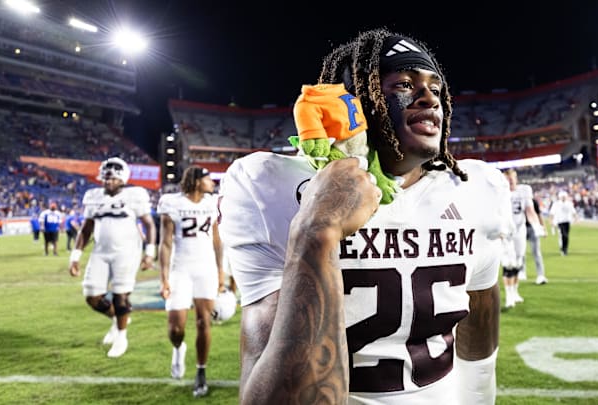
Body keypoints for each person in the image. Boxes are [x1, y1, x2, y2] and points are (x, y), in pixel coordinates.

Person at [219, 28, 511, 404]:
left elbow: (480, 308)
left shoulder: (476, 186)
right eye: (404, 85)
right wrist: (317, 229)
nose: (429, 98)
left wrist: (478, 397)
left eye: (435, 89)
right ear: (351, 104)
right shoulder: (269, 187)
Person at [68, 157, 156, 358]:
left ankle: (122, 337)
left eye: (113, 178)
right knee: (92, 296)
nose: (108, 181)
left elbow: (149, 224)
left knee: (120, 295)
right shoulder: (94, 196)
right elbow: (86, 228)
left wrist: (149, 253)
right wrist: (75, 256)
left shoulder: (135, 195)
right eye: (106, 178)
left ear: (123, 179)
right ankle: (117, 320)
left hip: (127, 251)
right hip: (101, 251)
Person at [157, 165, 224, 397]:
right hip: (180, 270)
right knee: (176, 328)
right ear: (197, 181)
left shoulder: (212, 203)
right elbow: (165, 243)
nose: (212, 183)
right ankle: (178, 348)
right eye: (208, 179)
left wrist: (221, 272)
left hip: (205, 269)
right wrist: (163, 278)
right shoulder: (171, 201)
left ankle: (201, 372)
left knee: (203, 322)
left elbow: (216, 240)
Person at [501, 169, 545, 308]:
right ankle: (509, 296)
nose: (510, 181)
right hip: (505, 231)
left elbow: (529, 211)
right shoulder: (500, 193)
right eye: (507, 179)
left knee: (518, 262)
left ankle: (514, 292)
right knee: (508, 264)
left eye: (512, 178)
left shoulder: (524, 190)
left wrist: (537, 226)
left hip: (520, 229)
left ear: (516, 178)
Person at [525, 192, 548, 285]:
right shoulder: (516, 201)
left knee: (536, 252)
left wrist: (544, 229)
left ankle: (541, 275)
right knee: (519, 253)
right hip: (520, 229)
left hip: (533, 228)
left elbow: (539, 215)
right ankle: (520, 273)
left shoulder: (533, 202)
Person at [549, 190, 577, 256]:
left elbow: (573, 211)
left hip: (567, 221)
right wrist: (551, 220)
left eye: (564, 196)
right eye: (562, 196)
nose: (563, 198)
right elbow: (552, 213)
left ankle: (565, 248)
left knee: (566, 236)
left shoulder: (569, 203)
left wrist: (576, 218)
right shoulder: (556, 204)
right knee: (562, 235)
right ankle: (563, 248)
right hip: (559, 221)